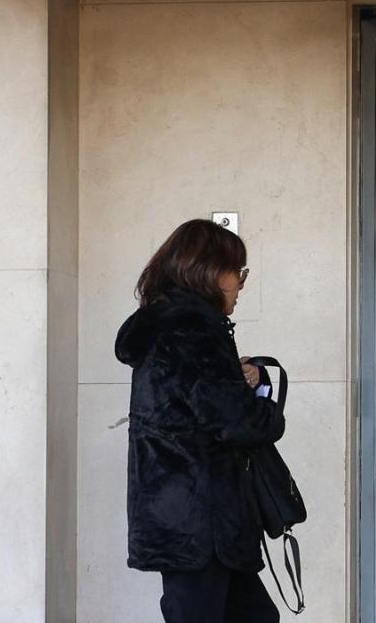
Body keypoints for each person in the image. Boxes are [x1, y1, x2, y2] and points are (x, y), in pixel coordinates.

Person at [115, 219, 287, 623]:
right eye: (237, 272)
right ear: (209, 272)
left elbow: (203, 404)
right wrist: (264, 402)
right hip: (203, 523)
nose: (241, 284)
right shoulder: (193, 327)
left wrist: (245, 378)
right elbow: (238, 422)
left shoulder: (165, 323)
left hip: (183, 516)